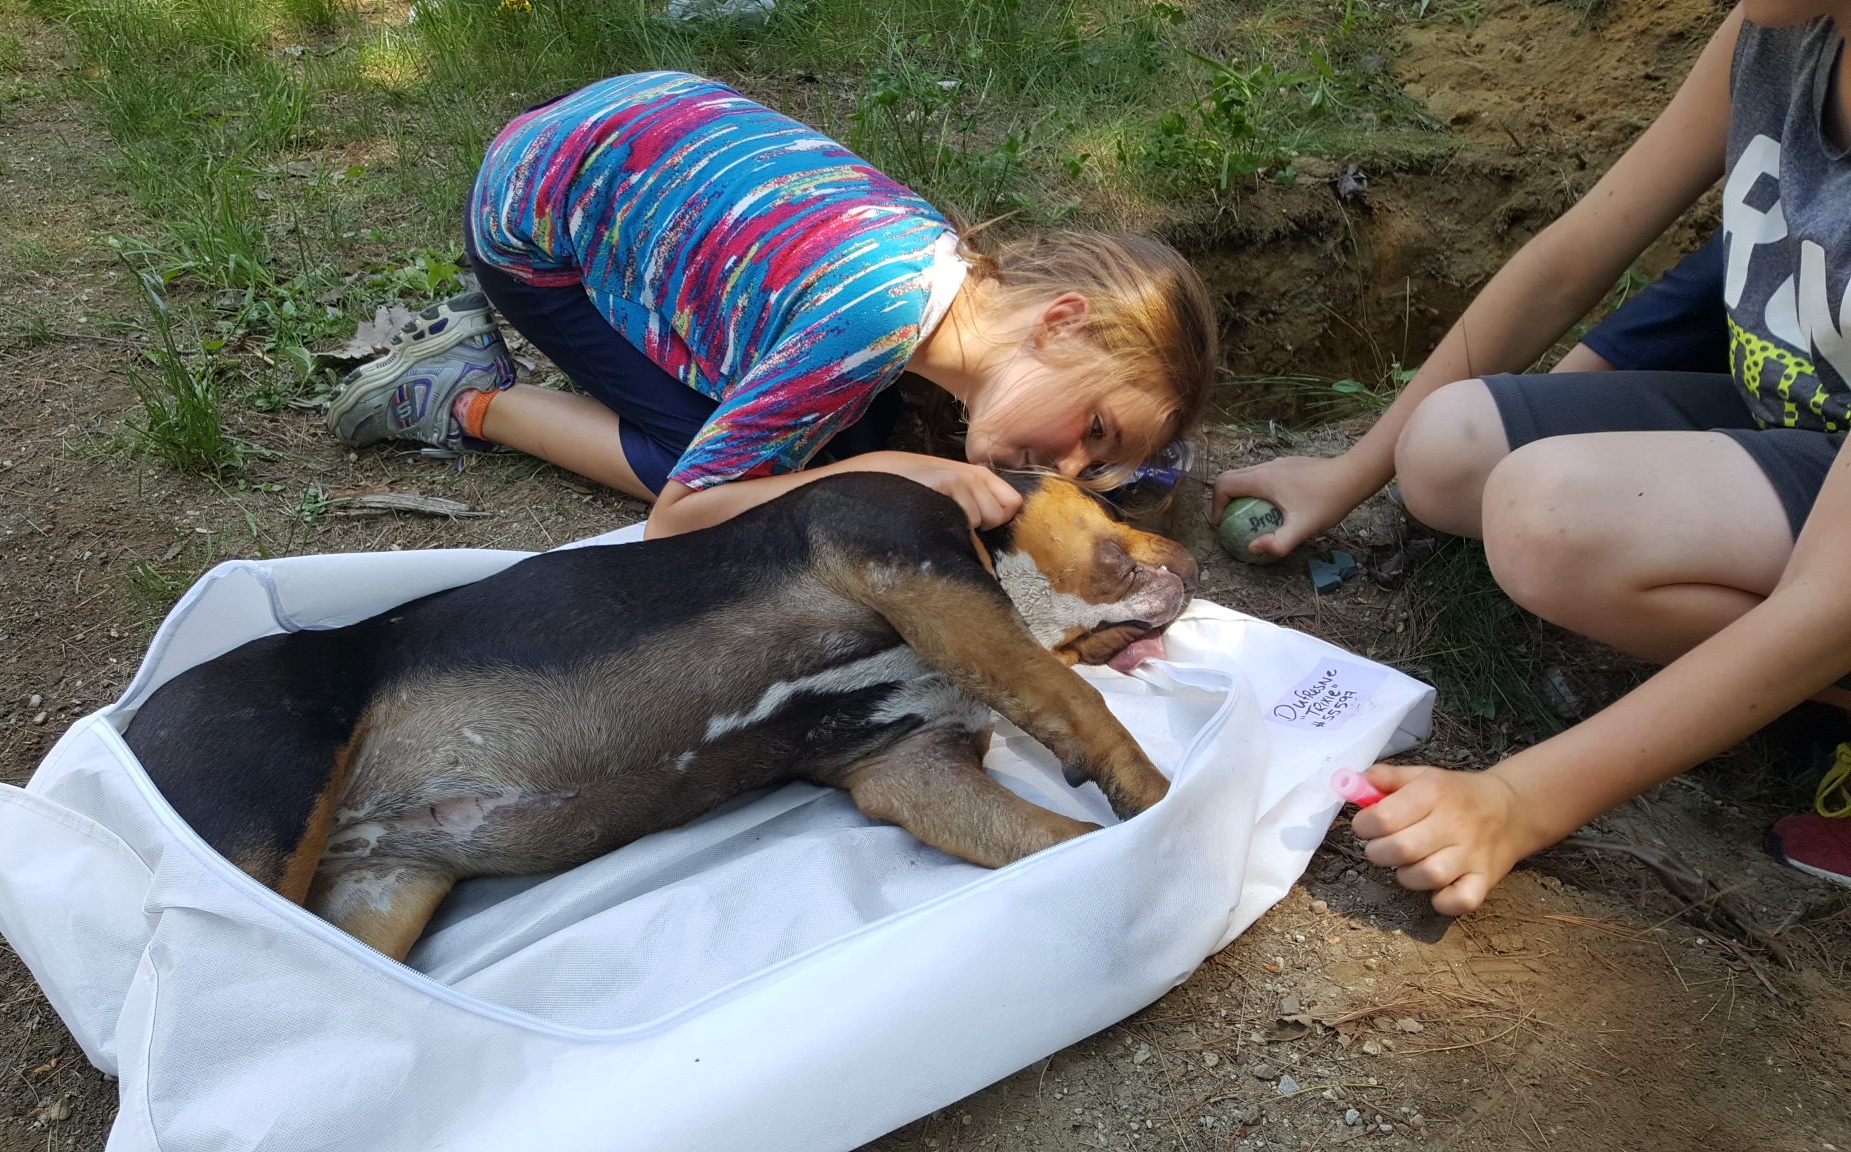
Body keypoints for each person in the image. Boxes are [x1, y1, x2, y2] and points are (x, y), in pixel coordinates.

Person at [1213, 0, 1851, 911]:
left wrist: (1517, 800)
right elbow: (1568, 261)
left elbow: (1828, 603)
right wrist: (1354, 470)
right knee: (1447, 449)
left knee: (1546, 518)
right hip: (1797, 422)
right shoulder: (1773, 33)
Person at [328, 71, 1217, 539]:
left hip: (630, 115)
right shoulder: (864, 328)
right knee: (721, 468)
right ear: (1059, 321)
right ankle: (468, 394)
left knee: (838, 440)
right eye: (1093, 430)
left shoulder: (937, 275)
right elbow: (679, 520)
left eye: (1096, 465)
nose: (1067, 466)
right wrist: (886, 473)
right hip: (531, 222)